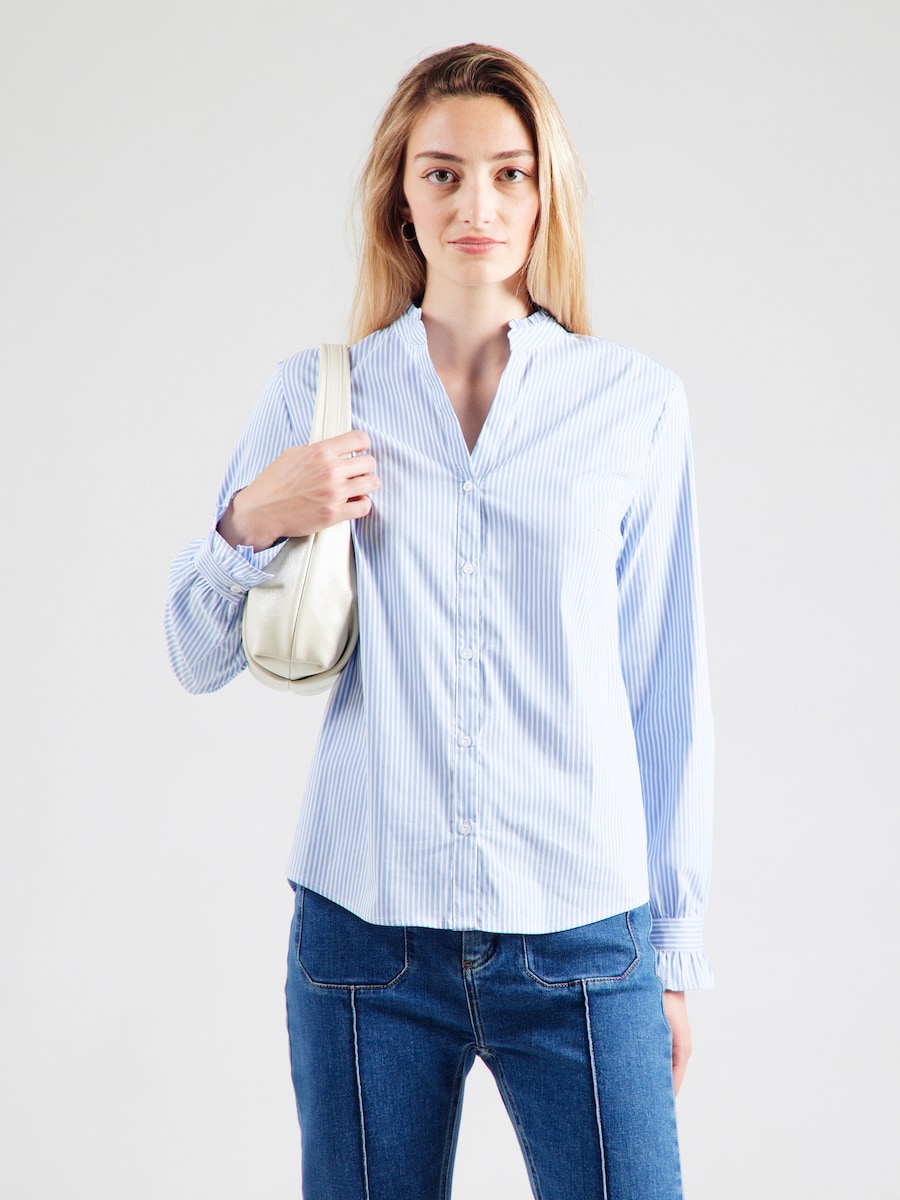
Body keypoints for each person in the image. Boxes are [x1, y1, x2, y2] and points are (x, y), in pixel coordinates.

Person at [166, 42, 714, 1200]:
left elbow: (663, 690)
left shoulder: (634, 406)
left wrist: (673, 952)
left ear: (546, 193)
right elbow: (192, 652)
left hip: (582, 934)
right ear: (400, 197)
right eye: (445, 174)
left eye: (511, 174)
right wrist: (255, 516)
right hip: (365, 937)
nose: (479, 206)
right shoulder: (319, 394)